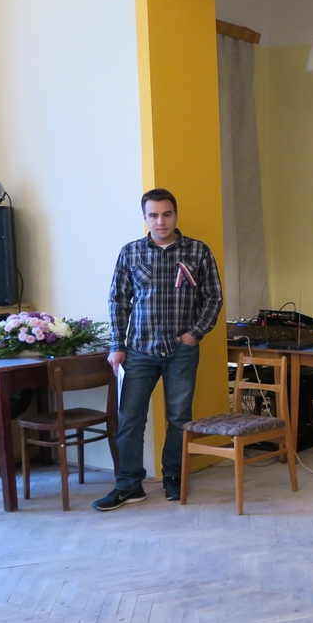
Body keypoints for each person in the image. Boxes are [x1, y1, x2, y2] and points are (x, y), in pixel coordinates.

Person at [96, 188, 223, 511]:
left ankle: (173, 476)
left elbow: (213, 297)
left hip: (181, 350)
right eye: (153, 215)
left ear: (176, 215)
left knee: (179, 417)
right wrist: (117, 345)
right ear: (145, 218)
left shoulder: (198, 251)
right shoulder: (130, 252)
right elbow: (118, 301)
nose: (160, 221)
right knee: (130, 418)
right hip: (139, 350)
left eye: (166, 214)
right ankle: (129, 484)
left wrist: (194, 334)